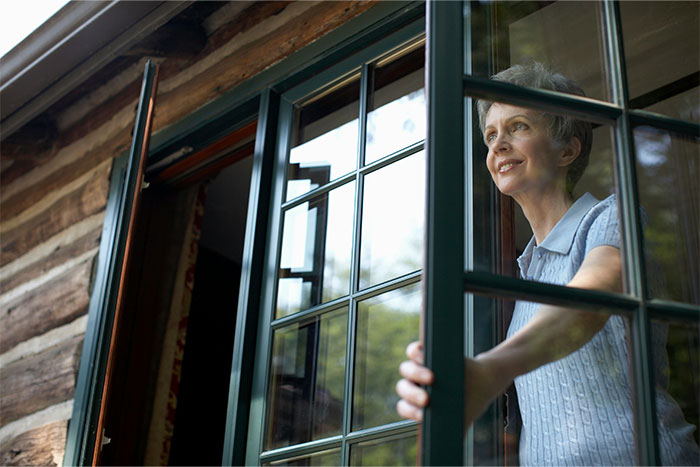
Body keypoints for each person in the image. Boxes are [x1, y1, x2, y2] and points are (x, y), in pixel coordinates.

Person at [396, 63, 700, 465]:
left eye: (518, 126)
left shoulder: (611, 217)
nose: (498, 145)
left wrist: (490, 370)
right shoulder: (528, 277)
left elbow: (593, 294)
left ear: (568, 149)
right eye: (491, 135)